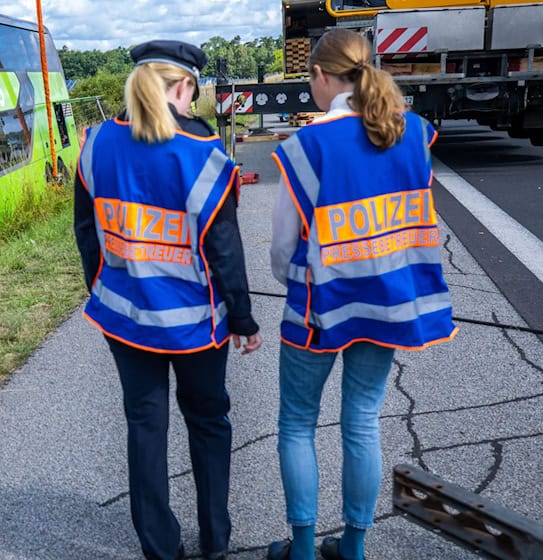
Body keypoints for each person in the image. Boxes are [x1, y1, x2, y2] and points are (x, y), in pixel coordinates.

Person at [267, 29, 458, 560]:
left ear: (322, 77)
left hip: (317, 310)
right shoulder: (412, 131)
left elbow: (284, 248)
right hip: (387, 304)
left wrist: (293, 279)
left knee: (298, 423)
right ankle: (352, 547)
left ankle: (302, 550)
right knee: (362, 421)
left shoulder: (307, 146)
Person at [74, 40, 263, 560]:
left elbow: (87, 234)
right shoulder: (202, 154)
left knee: (144, 425)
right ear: (185, 88)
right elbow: (224, 248)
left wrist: (105, 289)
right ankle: (216, 540)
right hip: (196, 325)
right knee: (208, 423)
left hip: (125, 316)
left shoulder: (94, 144)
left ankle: (159, 548)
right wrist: (244, 318)